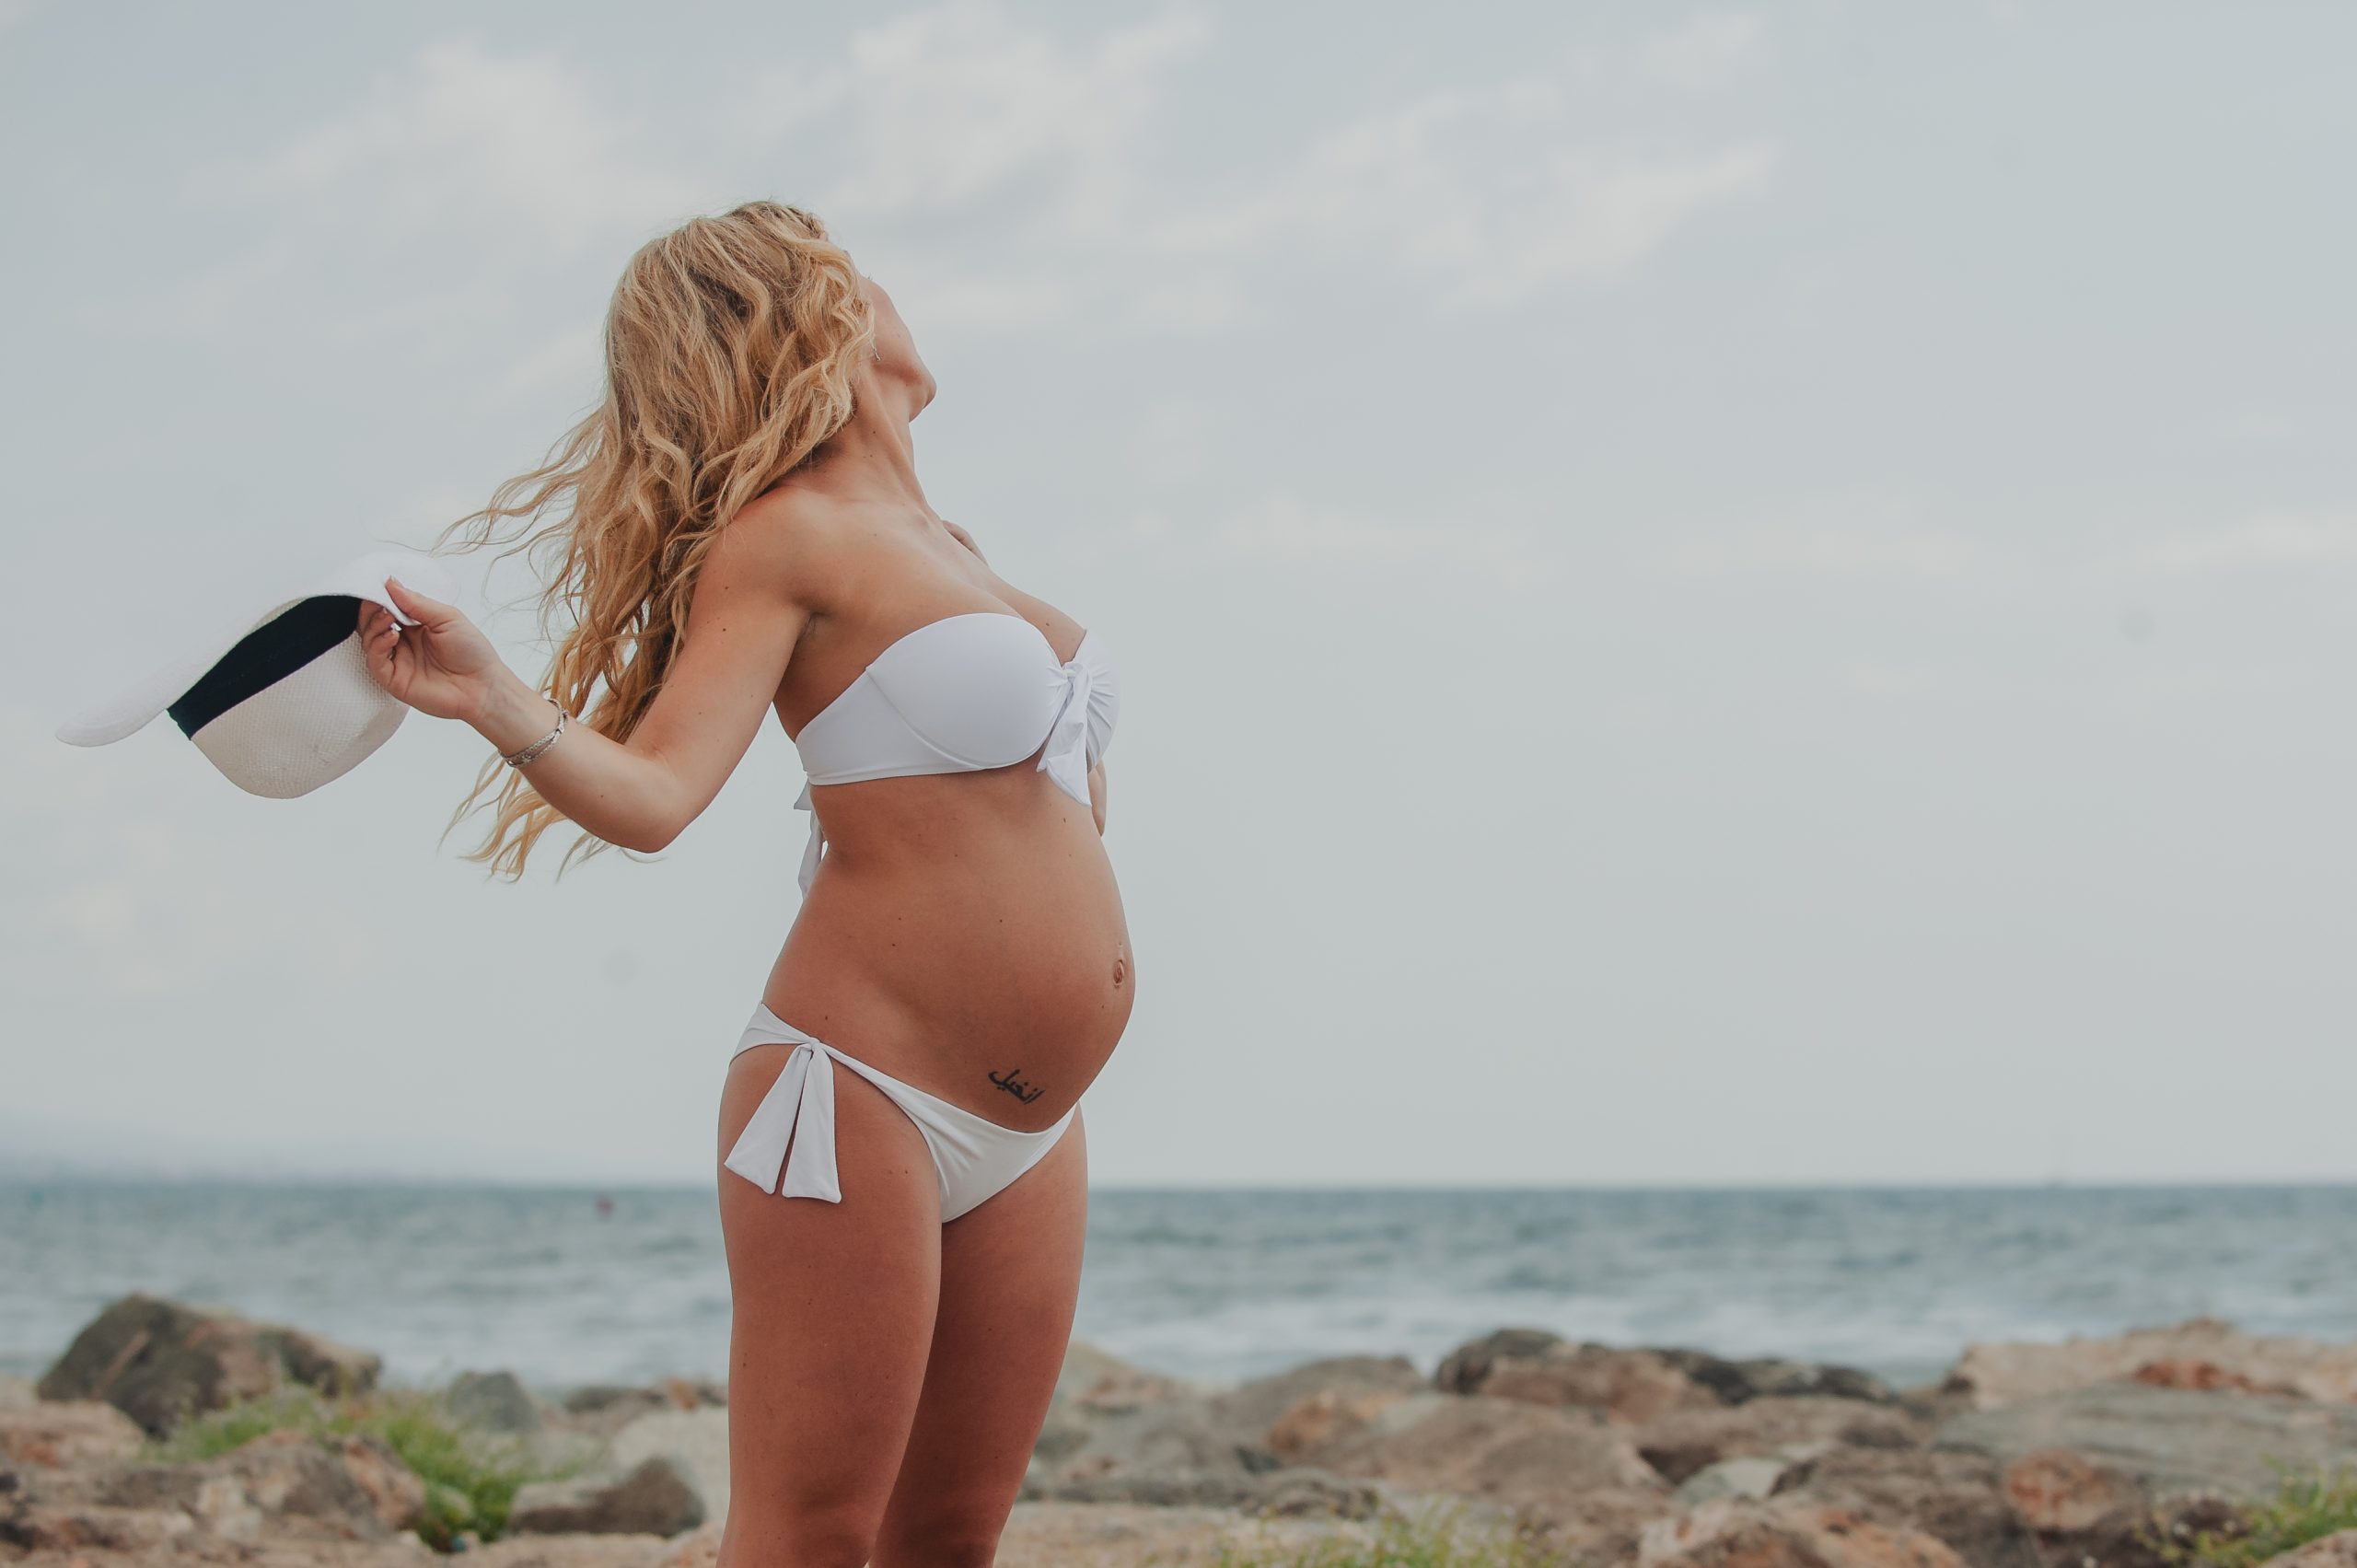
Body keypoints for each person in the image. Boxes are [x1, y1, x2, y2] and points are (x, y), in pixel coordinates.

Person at [357, 200, 1133, 1567]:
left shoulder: (954, 541)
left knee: (952, 1536)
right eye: (851, 267)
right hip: (856, 1097)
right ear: (800, 313)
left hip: (1035, 1122)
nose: (886, 282)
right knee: (806, 1541)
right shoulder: (786, 538)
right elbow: (658, 798)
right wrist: (491, 694)